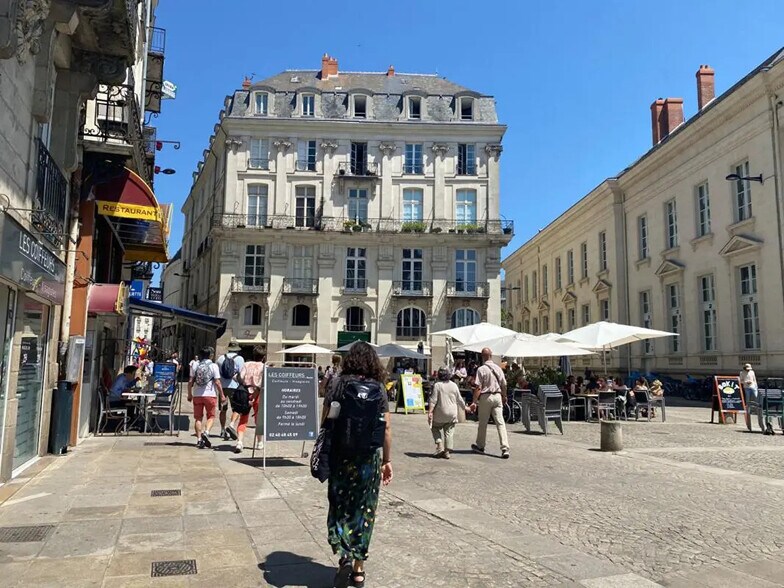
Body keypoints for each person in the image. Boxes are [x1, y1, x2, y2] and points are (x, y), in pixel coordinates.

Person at [323, 341, 392, 588]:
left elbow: (327, 420)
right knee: (365, 510)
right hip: (368, 458)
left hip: (341, 455)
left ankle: (343, 554)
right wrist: (387, 460)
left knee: (340, 504)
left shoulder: (338, 384)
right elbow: (386, 428)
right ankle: (359, 569)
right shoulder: (379, 388)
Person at [470, 348, 510, 459]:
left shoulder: (481, 369)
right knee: (500, 423)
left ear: (482, 356)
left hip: (486, 397)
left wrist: (474, 402)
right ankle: (505, 448)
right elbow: (504, 384)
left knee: (483, 423)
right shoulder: (498, 368)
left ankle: (480, 445)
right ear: (491, 355)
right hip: (497, 395)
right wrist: (504, 396)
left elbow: (478, 387)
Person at [188, 346, 225, 449]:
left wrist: (190, 394)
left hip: (197, 395)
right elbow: (217, 382)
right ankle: (207, 432)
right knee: (211, 416)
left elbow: (191, 381)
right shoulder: (214, 366)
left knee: (198, 418)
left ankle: (199, 440)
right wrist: (221, 394)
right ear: (211, 355)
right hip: (210, 395)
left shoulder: (195, 364)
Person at [232, 346, 266, 453]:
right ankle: (259, 442)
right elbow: (262, 383)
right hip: (259, 393)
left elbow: (240, 377)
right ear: (263, 357)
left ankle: (239, 442)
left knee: (243, 418)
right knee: (258, 418)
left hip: (245, 393)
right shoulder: (264, 367)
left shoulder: (246, 365)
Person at [428, 368, 466, 459]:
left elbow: (433, 400)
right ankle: (447, 451)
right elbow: (460, 400)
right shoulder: (454, 385)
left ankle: (439, 444)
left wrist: (430, 412)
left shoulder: (437, 385)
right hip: (452, 413)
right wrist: (466, 408)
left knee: (434, 427)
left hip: (440, 413)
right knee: (449, 431)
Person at [217, 338, 245, 441]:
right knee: (236, 409)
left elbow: (218, 374)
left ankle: (222, 430)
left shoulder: (220, 359)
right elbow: (242, 374)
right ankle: (231, 426)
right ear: (237, 349)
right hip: (235, 387)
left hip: (222, 387)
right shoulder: (240, 359)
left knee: (223, 409)